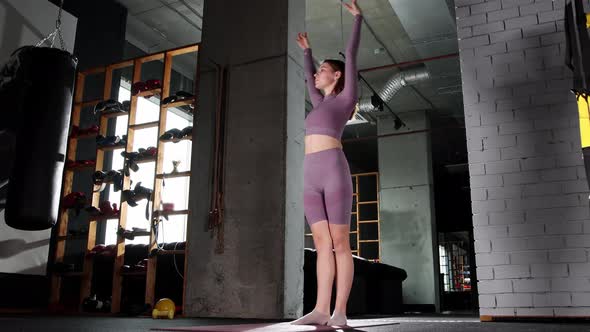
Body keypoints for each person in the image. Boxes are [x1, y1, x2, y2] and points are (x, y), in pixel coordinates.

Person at [291, 0, 362, 327]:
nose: (316, 74)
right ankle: (320, 309)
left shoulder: (345, 99)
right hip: (309, 174)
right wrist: (307, 52)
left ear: (336, 74)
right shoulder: (318, 102)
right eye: (317, 70)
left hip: (334, 171)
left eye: (322, 70)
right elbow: (307, 77)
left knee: (339, 244)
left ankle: (340, 312)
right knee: (320, 244)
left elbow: (352, 53)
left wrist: (358, 19)